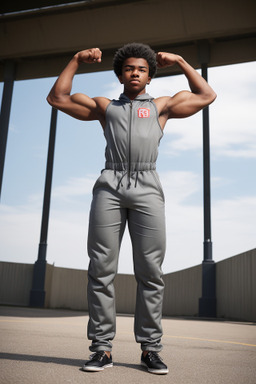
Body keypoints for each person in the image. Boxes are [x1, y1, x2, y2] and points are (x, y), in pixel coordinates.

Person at [47, 43, 216, 375]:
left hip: (148, 186)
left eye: (141, 69)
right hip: (110, 184)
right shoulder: (105, 107)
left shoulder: (162, 107)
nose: (135, 73)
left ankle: (150, 349)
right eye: (129, 69)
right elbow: (58, 98)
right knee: (100, 270)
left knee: (151, 272)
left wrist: (181, 60)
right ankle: (102, 349)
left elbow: (207, 95)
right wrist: (76, 60)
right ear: (120, 74)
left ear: (149, 75)